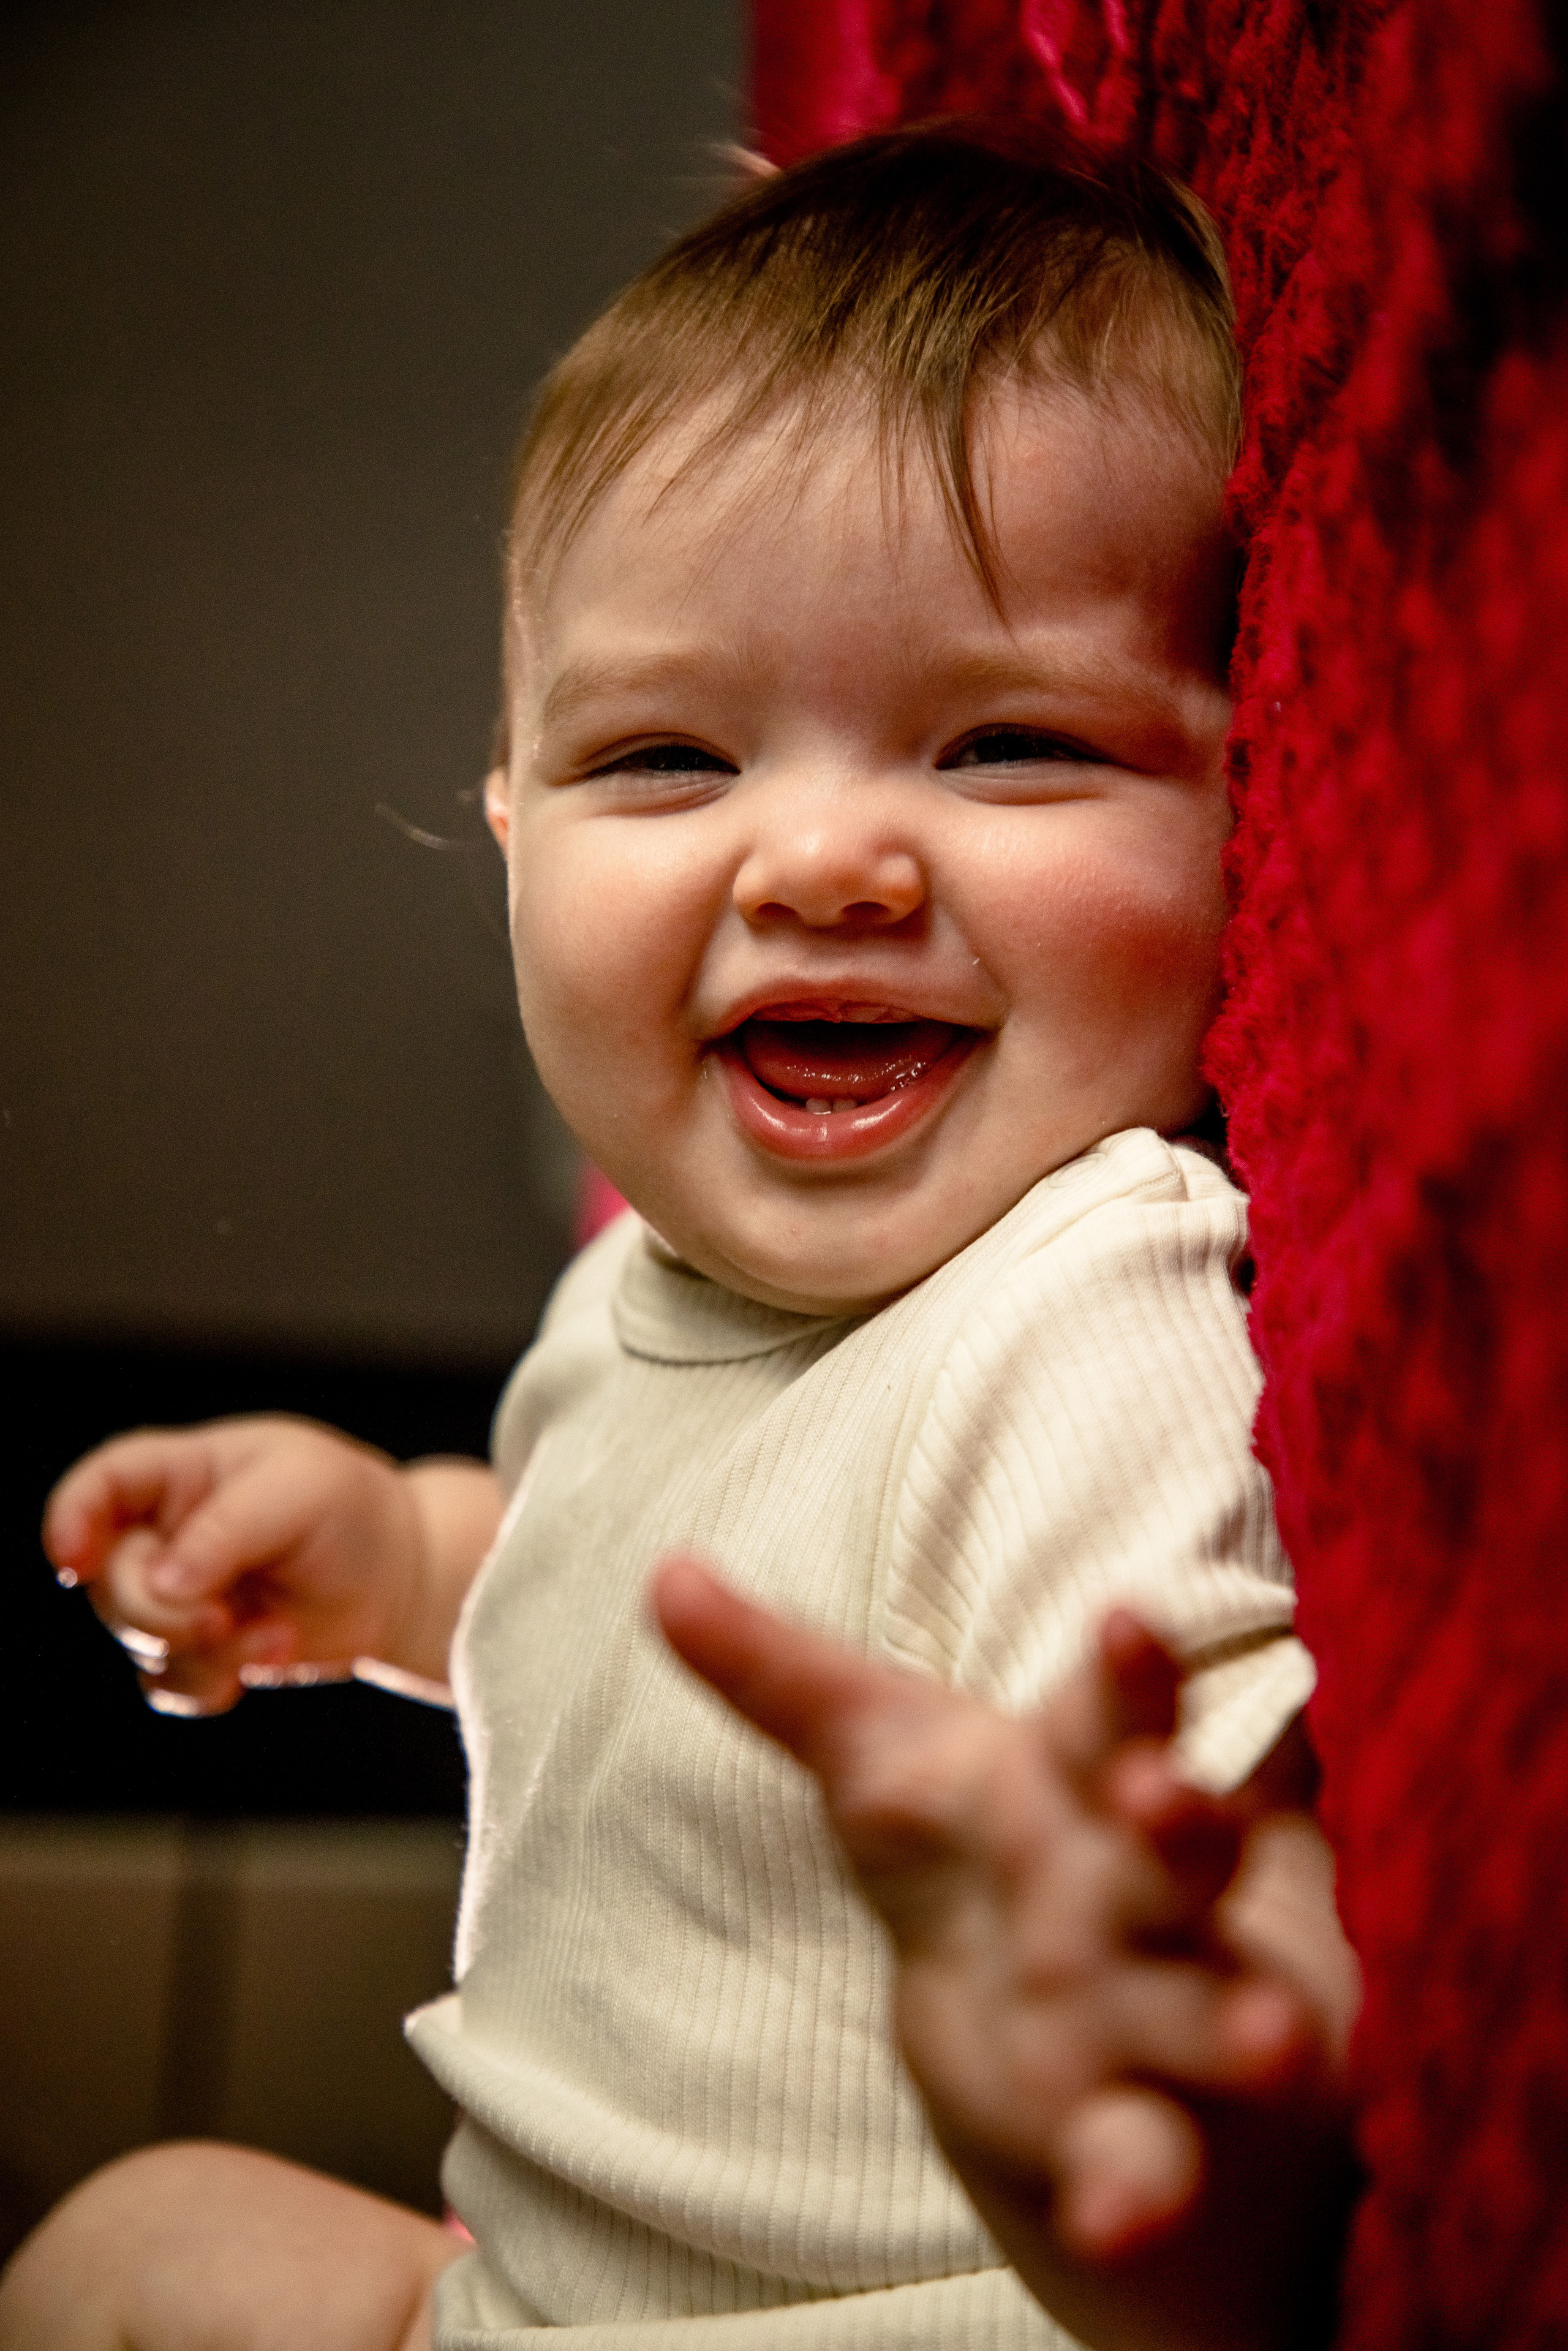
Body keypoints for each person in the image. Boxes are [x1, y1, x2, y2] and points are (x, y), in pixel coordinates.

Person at [0, 130, 1357, 2351]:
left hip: (883, 2316)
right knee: (134, 2246)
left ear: (1247, 804)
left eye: (1006, 745)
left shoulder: (1087, 1308)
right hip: (548, 2299)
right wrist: (398, 1562)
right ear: (515, 825)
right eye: (664, 764)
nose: (822, 858)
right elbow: (612, 1589)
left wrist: (1180, 2057)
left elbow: (1213, 1838)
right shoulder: (640, 1290)